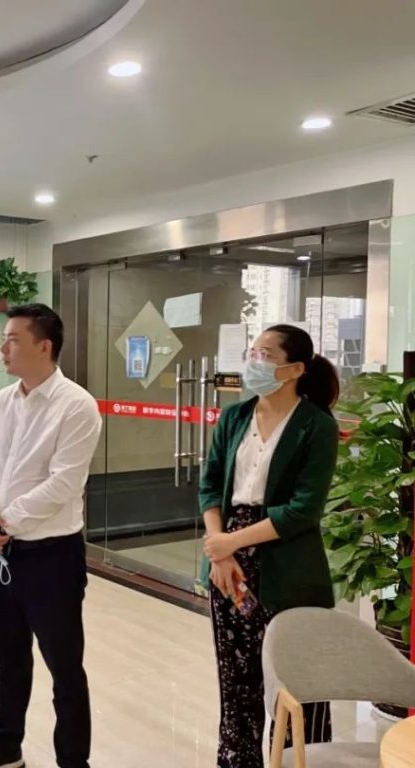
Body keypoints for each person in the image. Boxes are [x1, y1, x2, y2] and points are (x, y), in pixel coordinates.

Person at [0, 303, 102, 768]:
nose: (2, 348)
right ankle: (6, 746)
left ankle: (73, 761)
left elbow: (64, 483)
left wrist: (3, 523)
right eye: (3, 339)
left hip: (51, 557)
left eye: (12, 340)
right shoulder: (2, 401)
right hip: (0, 551)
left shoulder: (76, 405)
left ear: (45, 346)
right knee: (9, 657)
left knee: (65, 667)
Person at [200, 324, 339, 768]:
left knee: (297, 680)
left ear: (294, 369)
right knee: (236, 678)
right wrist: (220, 550)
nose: (252, 361)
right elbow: (210, 487)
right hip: (229, 567)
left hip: (288, 563)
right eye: (252, 351)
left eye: (264, 354)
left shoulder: (316, 425)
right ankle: (238, 761)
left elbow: (303, 509)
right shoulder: (234, 417)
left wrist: (228, 543)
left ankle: (303, 762)